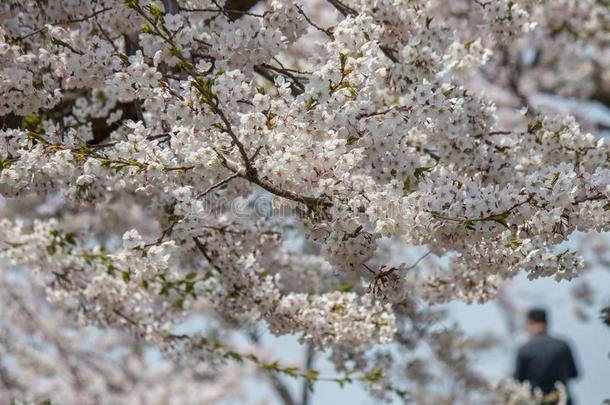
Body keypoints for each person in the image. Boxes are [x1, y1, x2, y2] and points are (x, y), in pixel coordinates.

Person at [514, 308, 579, 404]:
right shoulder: (562, 345)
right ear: (547, 323)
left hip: (537, 400)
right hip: (562, 399)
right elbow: (574, 374)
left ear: (530, 324)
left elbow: (518, 380)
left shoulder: (524, 350)